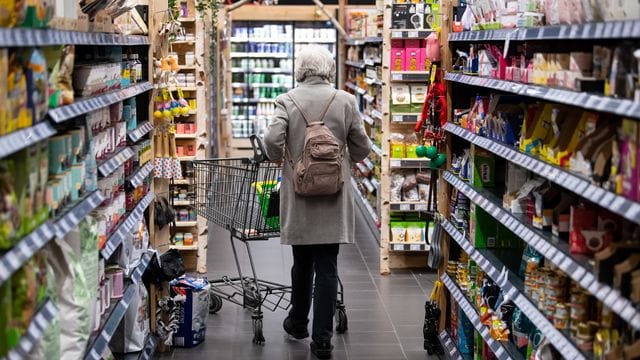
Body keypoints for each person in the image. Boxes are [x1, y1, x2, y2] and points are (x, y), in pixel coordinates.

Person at [263, 45, 371, 359]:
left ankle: (297, 322)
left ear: (301, 70)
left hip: (299, 197)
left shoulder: (287, 100)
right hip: (334, 198)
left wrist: (284, 156)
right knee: (327, 266)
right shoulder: (346, 101)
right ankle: (322, 340)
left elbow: (271, 142)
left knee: (302, 263)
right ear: (328, 69)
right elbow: (362, 147)